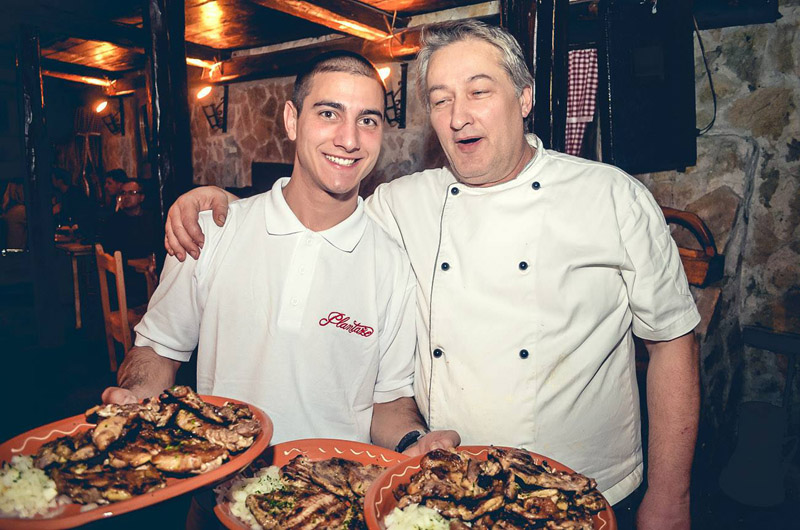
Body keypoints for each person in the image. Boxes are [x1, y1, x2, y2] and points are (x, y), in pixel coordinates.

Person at [164, 22, 700, 530]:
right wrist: (222, 203)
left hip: (584, 491)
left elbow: (673, 342)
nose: (458, 116)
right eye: (441, 100)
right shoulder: (403, 202)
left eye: (479, 92)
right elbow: (316, 210)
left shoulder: (612, 197)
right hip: (449, 491)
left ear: (525, 98)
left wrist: (670, 497)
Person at [102, 51, 459, 456]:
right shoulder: (212, 230)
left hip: (336, 487)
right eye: (329, 113)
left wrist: (414, 442)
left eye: (368, 120)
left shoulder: (394, 265)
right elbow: (158, 349)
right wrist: (135, 397)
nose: (349, 139)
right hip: (222, 481)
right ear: (292, 120)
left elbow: (388, 400)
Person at [100, 178, 159, 307]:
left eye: (131, 193)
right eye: (123, 193)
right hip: (125, 278)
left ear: (141, 197)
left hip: (151, 270)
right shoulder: (113, 222)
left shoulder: (152, 219)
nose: (126, 197)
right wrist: (133, 263)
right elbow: (110, 253)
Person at [51, 167, 94, 237]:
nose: (52, 182)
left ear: (60, 181)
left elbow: (83, 215)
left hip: (81, 232)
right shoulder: (62, 195)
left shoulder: (75, 193)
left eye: (53, 179)